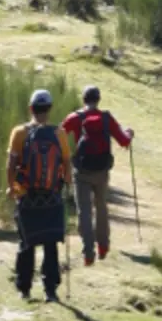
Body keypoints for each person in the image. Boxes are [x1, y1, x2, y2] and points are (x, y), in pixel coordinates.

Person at [6, 89, 71, 302]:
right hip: (51, 197)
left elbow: (11, 165)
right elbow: (66, 164)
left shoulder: (19, 132)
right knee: (50, 244)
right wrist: (66, 185)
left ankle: (24, 289)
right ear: (49, 109)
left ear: (30, 108)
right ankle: (50, 290)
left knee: (27, 243)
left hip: (27, 196)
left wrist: (12, 188)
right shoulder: (59, 134)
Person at [61, 85, 133, 266]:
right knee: (101, 206)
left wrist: (65, 157)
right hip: (102, 171)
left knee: (83, 211)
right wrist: (130, 133)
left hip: (82, 171)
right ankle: (103, 245)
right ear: (98, 100)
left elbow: (59, 135)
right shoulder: (107, 119)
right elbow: (123, 141)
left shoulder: (75, 118)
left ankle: (88, 252)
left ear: (83, 99)